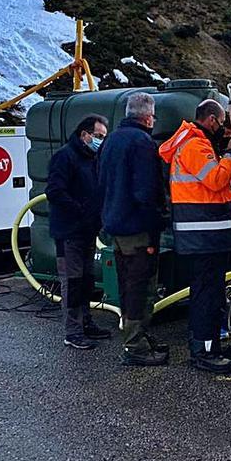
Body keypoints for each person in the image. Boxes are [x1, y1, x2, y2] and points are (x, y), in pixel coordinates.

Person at [158, 99, 231, 373]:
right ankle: (204, 351)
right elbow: (216, 180)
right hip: (204, 237)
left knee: (211, 292)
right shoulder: (195, 145)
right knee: (206, 294)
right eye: (221, 124)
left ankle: (211, 345)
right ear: (211, 120)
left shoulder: (197, 144)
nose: (223, 130)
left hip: (207, 237)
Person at [99, 93, 170, 366]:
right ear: (148, 116)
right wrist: (158, 222)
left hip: (115, 227)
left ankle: (136, 338)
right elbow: (146, 192)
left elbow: (101, 183)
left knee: (127, 284)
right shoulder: (142, 143)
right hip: (138, 229)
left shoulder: (111, 140)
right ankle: (135, 346)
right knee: (142, 287)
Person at [46, 114, 112, 350]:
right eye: (98, 136)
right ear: (85, 135)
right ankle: (72, 331)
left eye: (103, 137)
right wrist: (80, 211)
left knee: (86, 280)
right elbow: (55, 191)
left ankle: (86, 322)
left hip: (87, 230)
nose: (100, 141)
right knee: (73, 282)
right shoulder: (65, 157)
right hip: (70, 232)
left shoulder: (92, 158)